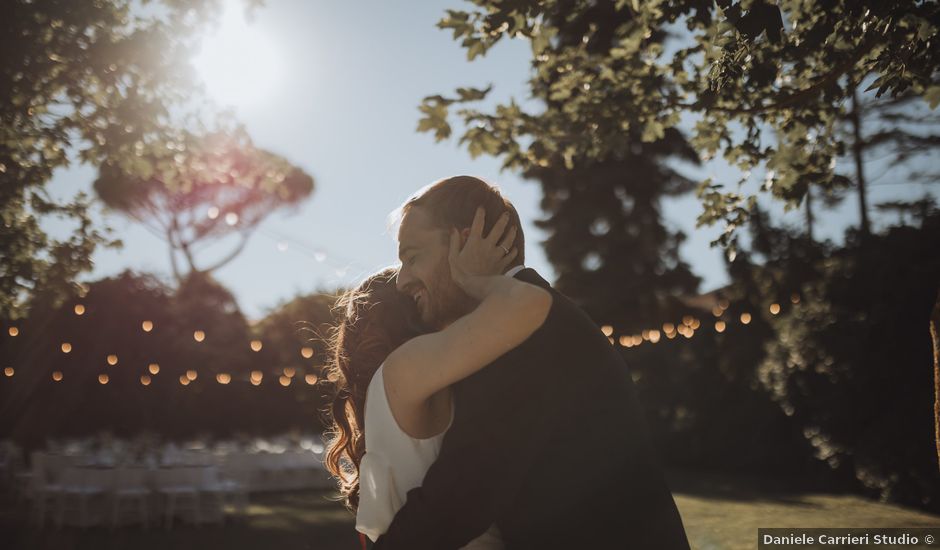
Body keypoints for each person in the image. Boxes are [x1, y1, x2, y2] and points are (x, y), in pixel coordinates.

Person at [374, 175, 692, 549]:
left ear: (465, 241)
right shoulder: (526, 315)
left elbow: (463, 495)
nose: (401, 281)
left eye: (412, 257)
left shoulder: (524, 329)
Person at [325, 205, 551, 548]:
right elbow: (529, 303)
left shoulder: (397, 383)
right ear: (408, 313)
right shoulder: (407, 367)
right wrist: (475, 280)